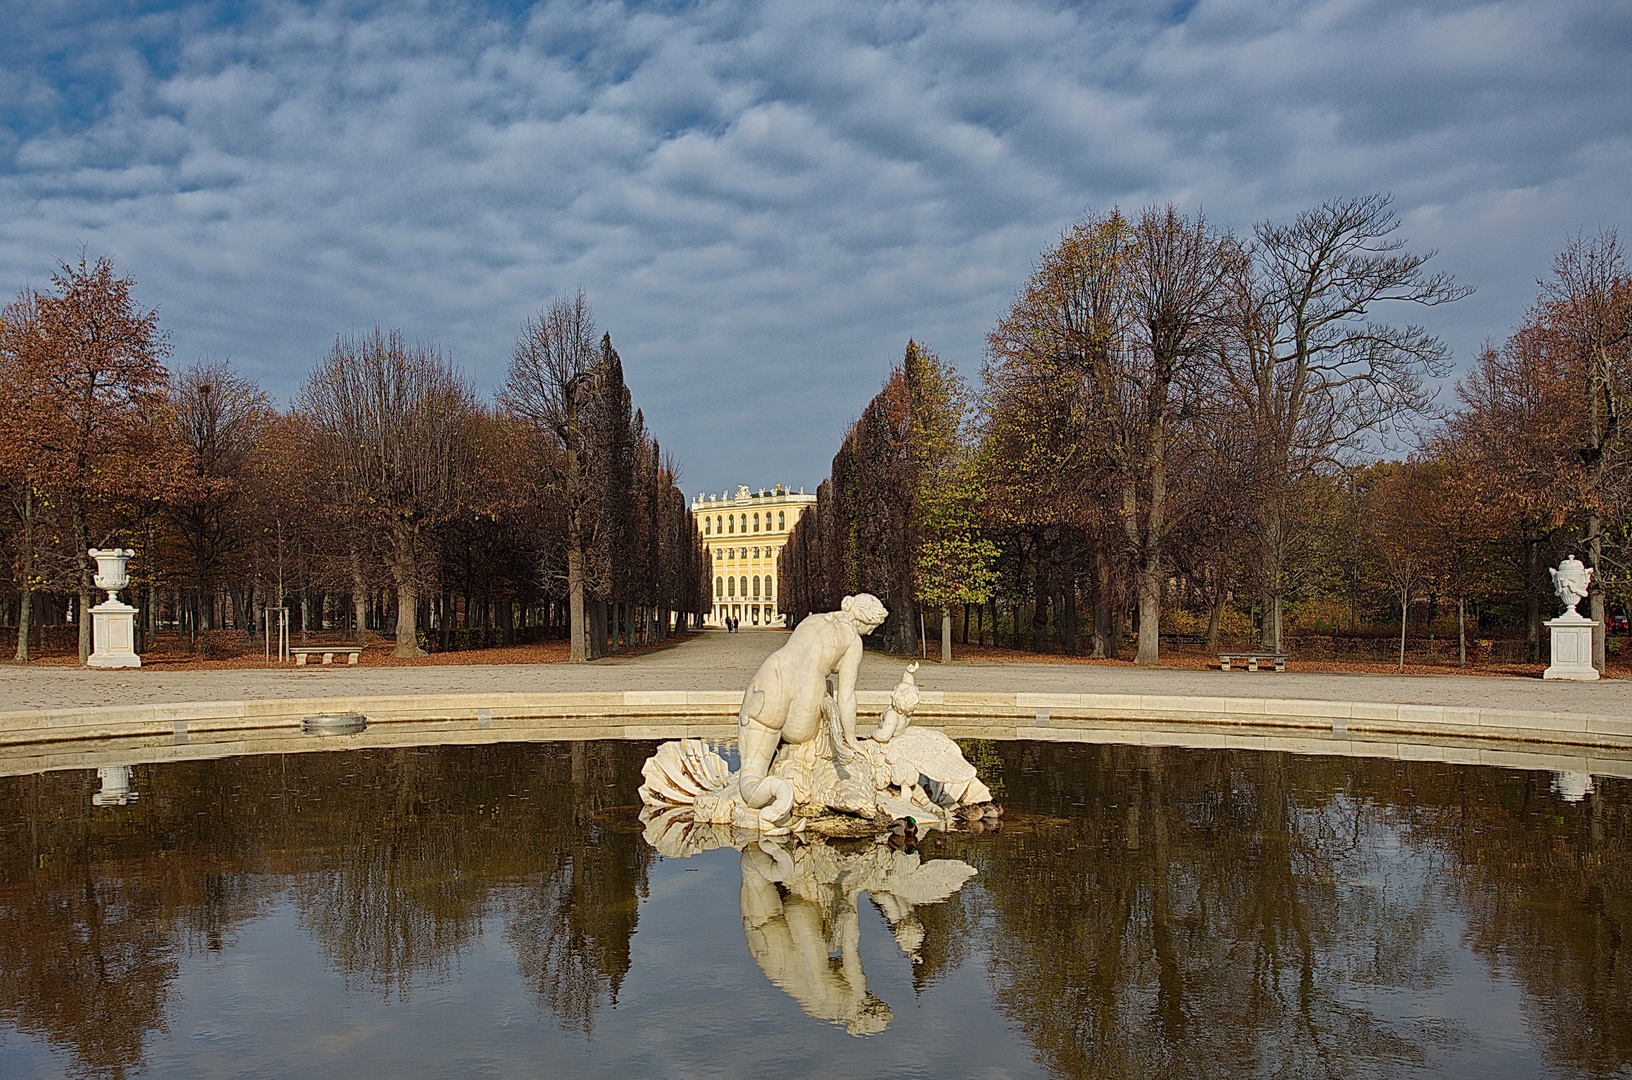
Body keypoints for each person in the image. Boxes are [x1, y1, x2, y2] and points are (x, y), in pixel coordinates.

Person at [735, 594, 889, 827]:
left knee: (750, 774)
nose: (869, 634)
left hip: (768, 682)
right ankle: (787, 788)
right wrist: (850, 738)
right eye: (872, 628)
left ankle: (770, 787)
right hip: (804, 700)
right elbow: (846, 695)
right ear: (865, 621)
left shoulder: (814, 619)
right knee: (827, 693)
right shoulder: (852, 642)